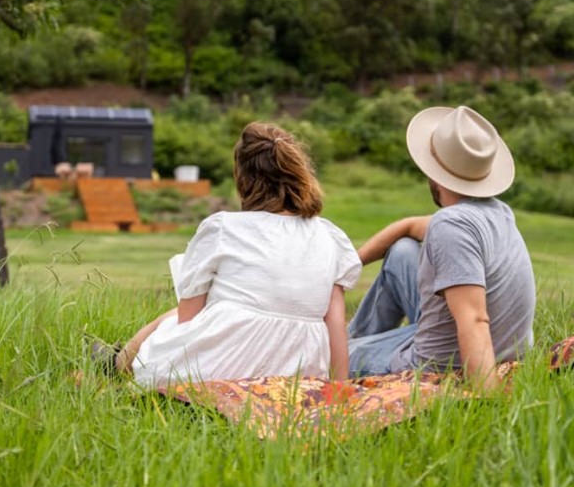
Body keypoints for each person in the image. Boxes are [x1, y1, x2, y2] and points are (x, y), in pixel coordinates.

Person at [99, 121, 361, 387]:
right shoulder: (330, 237)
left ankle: (116, 365)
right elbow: (335, 323)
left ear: (243, 178)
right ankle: (116, 360)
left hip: (220, 365)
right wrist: (339, 388)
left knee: (167, 320)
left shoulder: (223, 228)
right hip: (299, 370)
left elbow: (188, 317)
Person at [347, 105, 536, 391]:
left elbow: (474, 319)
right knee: (402, 251)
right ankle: (355, 338)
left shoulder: (451, 226)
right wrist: (347, 267)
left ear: (434, 174)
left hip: (439, 365)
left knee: (329, 356)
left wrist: (486, 398)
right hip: (492, 343)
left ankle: (350, 347)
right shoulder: (498, 211)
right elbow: (408, 226)